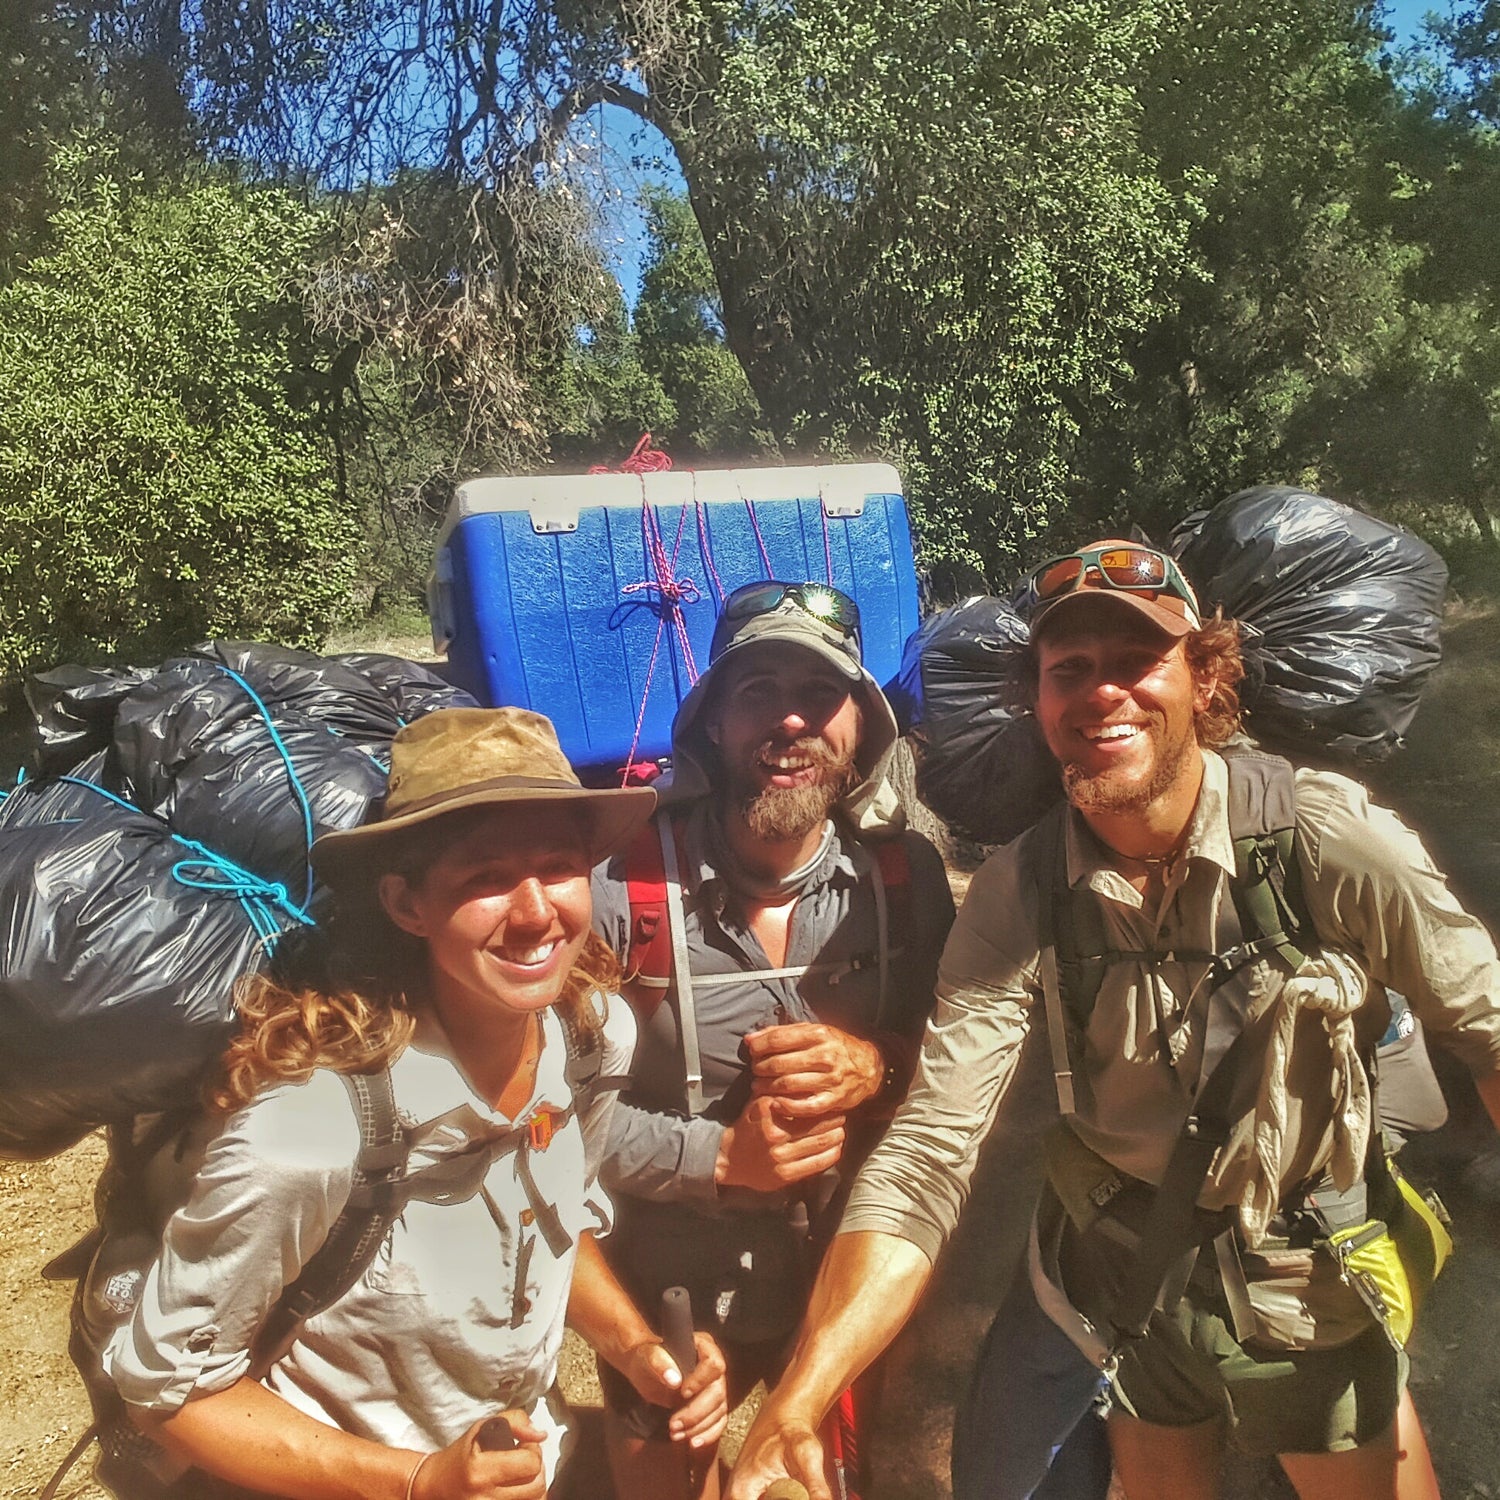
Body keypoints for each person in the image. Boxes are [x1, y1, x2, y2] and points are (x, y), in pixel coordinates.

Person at [727, 541, 1500, 1500]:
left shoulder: (1321, 840)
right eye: (1071, 670)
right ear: (1039, 702)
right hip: (1123, 1286)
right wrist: (799, 1398)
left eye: (1138, 661)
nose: (1103, 693)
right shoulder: (1019, 888)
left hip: (1300, 1282)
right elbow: (931, 1147)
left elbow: (1489, 1032)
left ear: (1204, 677)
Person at [103, 707, 730, 1500]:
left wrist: (638, 1351)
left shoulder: (589, 1037)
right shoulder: (313, 1130)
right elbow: (168, 1392)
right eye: (485, 877)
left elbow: (558, 1222)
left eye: (558, 865)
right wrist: (420, 1481)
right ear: (407, 905)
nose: (537, 911)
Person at [589, 581, 955, 1499]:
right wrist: (720, 1160)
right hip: (668, 1284)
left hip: (850, 1270)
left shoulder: (904, 881)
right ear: (711, 723)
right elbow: (550, 1125)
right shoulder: (619, 890)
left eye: (820, 695)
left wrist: (880, 1063)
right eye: (757, 691)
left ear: (859, 732)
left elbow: (961, 1074)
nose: (789, 721)